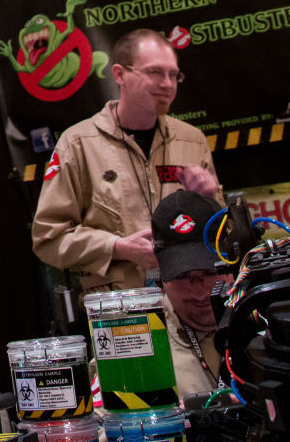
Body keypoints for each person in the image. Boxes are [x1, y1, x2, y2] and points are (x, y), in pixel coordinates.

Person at [32, 28, 222, 293]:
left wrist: (210, 200)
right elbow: (48, 239)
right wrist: (118, 247)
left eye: (173, 74)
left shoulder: (192, 141)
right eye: (155, 72)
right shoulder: (78, 144)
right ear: (120, 74)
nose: (167, 84)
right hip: (121, 311)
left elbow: (226, 236)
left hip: (191, 301)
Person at [150, 190, 227, 399]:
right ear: (161, 275)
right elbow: (98, 426)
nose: (199, 292)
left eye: (210, 273)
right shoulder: (137, 339)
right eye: (183, 276)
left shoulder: (263, 319)